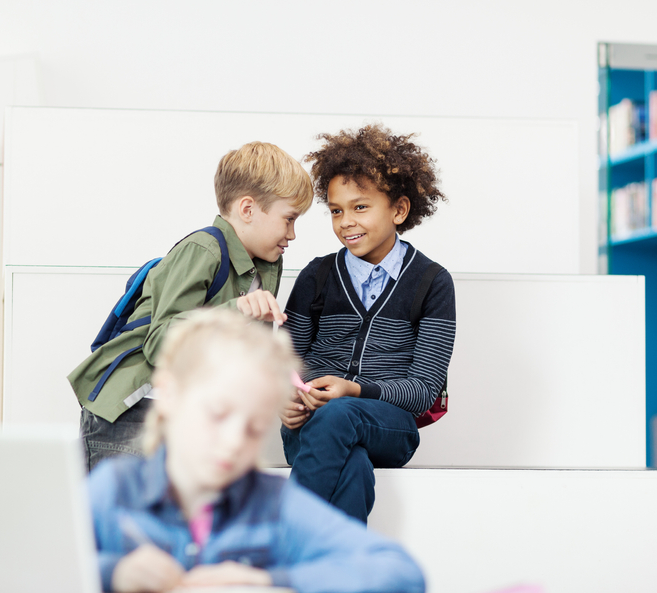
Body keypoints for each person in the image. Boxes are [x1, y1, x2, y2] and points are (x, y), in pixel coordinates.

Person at [86, 309, 427, 593]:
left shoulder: (276, 505)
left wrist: (270, 580)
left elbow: (400, 572)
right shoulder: (113, 489)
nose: (235, 441)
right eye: (218, 414)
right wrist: (113, 572)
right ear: (170, 394)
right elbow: (40, 560)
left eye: (254, 428)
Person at [68, 141, 314, 471]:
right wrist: (238, 309)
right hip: (133, 414)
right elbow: (160, 345)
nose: (293, 234)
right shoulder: (204, 250)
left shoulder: (266, 268)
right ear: (247, 210)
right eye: (288, 219)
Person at [280, 123, 456, 523]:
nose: (346, 222)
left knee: (342, 413)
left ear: (399, 209)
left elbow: (423, 392)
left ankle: (283, 539)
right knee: (353, 468)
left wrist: (354, 390)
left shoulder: (431, 283)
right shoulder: (316, 276)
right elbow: (284, 362)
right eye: (336, 210)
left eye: (360, 207)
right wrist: (285, 400)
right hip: (310, 428)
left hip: (389, 427)